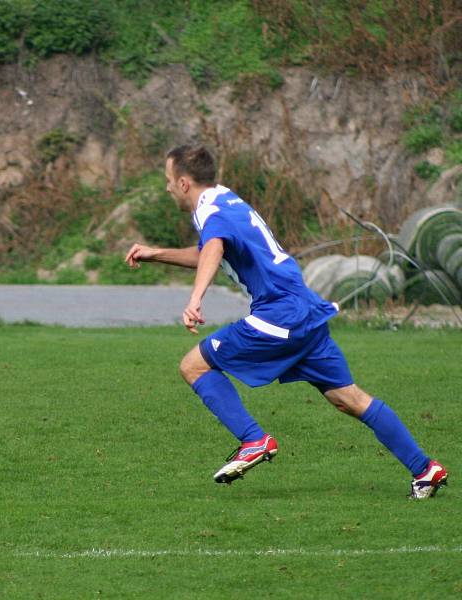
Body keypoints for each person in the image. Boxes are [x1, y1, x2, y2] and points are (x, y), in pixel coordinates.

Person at [125, 143, 447, 499]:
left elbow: (214, 247)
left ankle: (253, 440)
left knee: (194, 366)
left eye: (169, 180)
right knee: (348, 399)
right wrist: (158, 254)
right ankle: (425, 469)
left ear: (184, 183)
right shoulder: (224, 199)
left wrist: (195, 298)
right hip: (304, 308)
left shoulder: (208, 213)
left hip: (280, 313)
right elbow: (210, 249)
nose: (167, 187)